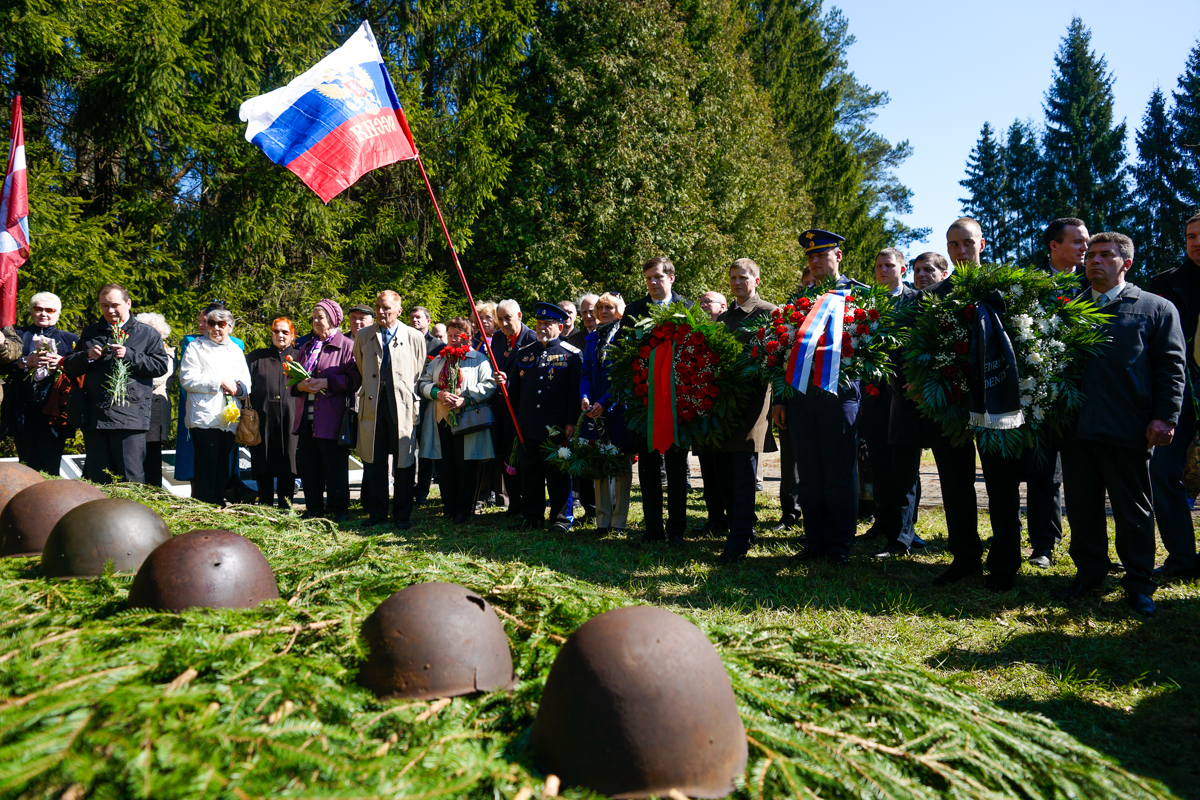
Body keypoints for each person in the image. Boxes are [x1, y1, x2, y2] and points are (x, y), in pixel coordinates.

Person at [1057, 232, 1185, 618]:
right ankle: (1090, 573)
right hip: (1077, 428)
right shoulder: (1070, 308)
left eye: (1106, 255)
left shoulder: (1154, 308)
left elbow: (1171, 367)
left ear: (1126, 263)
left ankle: (1139, 583)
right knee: (1082, 507)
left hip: (1127, 426)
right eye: (1090, 255)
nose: (1094, 261)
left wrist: (1166, 416)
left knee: (1134, 510)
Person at [773, 230, 865, 565]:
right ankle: (814, 540)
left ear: (838, 256)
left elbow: (872, 350)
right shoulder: (796, 302)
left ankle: (840, 542)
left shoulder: (860, 296)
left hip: (840, 397)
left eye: (821, 255)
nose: (815, 261)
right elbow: (782, 354)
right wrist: (780, 400)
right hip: (801, 398)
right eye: (810, 257)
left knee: (839, 471)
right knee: (808, 472)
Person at [1023, 219, 1091, 569]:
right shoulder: (1027, 283)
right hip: (1040, 398)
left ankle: (1088, 548)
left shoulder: (1093, 282)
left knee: (1083, 477)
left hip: (1083, 397)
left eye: (1087, 242)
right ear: (1054, 245)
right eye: (1078, 241)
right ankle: (1042, 546)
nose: (1085, 248)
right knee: (1042, 473)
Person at [64, 284, 169, 484]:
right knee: (98, 479)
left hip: (130, 417)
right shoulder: (92, 332)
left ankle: (133, 515)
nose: (110, 310)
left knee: (130, 479)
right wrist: (87, 356)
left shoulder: (146, 333)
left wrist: (129, 355)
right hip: (96, 417)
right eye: (104, 305)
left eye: (115, 305)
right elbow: (70, 365)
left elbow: (160, 365)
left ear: (128, 303)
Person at [620, 256, 693, 544]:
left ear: (671, 278)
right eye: (648, 277)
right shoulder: (634, 310)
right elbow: (622, 352)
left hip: (676, 404)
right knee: (648, 469)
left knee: (676, 470)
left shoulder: (686, 308)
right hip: (644, 402)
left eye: (658, 277)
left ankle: (676, 530)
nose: (652, 282)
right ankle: (652, 530)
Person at [1144, 212, 1200, 580]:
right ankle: (1182, 558)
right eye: (1190, 235)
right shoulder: (1163, 286)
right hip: (1180, 391)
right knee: (1163, 472)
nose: (1196, 242)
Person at [713, 258, 777, 563]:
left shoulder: (769, 313)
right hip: (723, 406)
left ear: (756, 280)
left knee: (742, 473)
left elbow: (776, 361)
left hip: (752, 404)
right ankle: (740, 529)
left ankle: (739, 539)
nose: (737, 283)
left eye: (743, 277)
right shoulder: (722, 319)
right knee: (724, 473)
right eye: (733, 278)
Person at [499, 302, 581, 531]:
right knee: (530, 475)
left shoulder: (571, 355)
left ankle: (560, 519)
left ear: (560, 326)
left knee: (557, 476)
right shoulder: (524, 353)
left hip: (556, 427)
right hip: (528, 425)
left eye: (548, 324)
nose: (542, 328)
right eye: (539, 323)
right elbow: (515, 389)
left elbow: (574, 392)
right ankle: (532, 516)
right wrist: (505, 383)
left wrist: (571, 421)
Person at [861, 249, 922, 559]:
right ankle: (883, 524)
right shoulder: (865, 305)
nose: (883, 270)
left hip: (907, 396)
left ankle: (902, 538)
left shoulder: (917, 301)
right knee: (879, 465)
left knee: (904, 468)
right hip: (873, 396)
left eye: (889, 265)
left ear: (902, 268)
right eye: (878, 266)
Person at [355, 290, 424, 529]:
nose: (381, 312)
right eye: (378, 307)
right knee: (374, 461)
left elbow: (419, 369)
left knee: (404, 462)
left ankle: (402, 515)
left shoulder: (414, 336)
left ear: (399, 311)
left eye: (386, 308)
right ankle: (377, 513)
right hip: (373, 406)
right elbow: (362, 367)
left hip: (402, 408)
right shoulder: (363, 336)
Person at [417, 317, 496, 522]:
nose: (452, 339)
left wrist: (466, 399)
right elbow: (423, 383)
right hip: (440, 421)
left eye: (457, 336)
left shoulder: (478, 359)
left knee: (466, 466)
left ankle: (464, 510)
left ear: (467, 337)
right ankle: (449, 507)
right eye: (450, 335)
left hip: (467, 421)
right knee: (444, 465)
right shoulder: (439, 359)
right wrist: (437, 393)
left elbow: (489, 385)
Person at [292, 299, 360, 521]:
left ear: (332, 319)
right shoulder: (307, 347)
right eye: (313, 318)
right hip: (306, 417)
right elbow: (293, 379)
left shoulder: (347, 346)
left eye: (319, 317)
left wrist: (326, 383)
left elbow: (354, 380)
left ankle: (339, 510)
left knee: (334, 466)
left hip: (332, 417)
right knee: (309, 466)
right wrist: (299, 385)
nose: (315, 322)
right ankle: (313, 509)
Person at [179, 308, 252, 506]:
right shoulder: (196, 346)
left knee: (223, 467)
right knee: (205, 467)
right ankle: (205, 509)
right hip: (204, 418)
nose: (216, 329)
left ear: (230, 327)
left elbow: (247, 383)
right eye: (212, 324)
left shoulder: (236, 350)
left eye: (221, 325)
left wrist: (238, 389)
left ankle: (218, 506)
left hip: (228, 419)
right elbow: (186, 379)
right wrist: (218, 382)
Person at [580, 292, 633, 535]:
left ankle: (619, 520)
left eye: (609, 307)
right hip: (596, 411)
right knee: (601, 461)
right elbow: (586, 373)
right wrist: (585, 397)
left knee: (621, 463)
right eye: (600, 308)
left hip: (619, 408)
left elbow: (625, 377)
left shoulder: (627, 336)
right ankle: (603, 519)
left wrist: (604, 401)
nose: (602, 312)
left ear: (619, 310)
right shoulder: (592, 339)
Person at [7, 292, 78, 474]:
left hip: (55, 408)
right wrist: (24, 362)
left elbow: (80, 369)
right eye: (38, 309)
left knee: (50, 461)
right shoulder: (17, 336)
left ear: (58, 313)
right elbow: (3, 364)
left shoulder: (70, 339)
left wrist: (62, 363)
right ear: (31, 311)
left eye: (49, 310)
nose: (43, 314)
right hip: (23, 407)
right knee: (26, 461)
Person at [246, 317, 300, 509]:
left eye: (285, 332)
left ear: (292, 335)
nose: (280, 335)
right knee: (263, 462)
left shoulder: (299, 357)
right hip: (263, 419)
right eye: (276, 331)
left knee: (288, 462)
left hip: (291, 420)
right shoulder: (256, 358)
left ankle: (286, 508)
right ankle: (266, 505)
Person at [490, 299, 537, 516]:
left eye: (507, 318)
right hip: (502, 410)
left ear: (519, 316)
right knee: (506, 456)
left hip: (524, 410)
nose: (503, 323)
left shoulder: (532, 339)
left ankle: (530, 505)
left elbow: (536, 378)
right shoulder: (498, 338)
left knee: (525, 459)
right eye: (499, 319)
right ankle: (514, 505)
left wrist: (510, 381)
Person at [409, 305, 445, 506]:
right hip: (405, 401)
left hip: (428, 402)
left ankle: (422, 490)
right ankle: (405, 487)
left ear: (428, 321)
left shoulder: (438, 346)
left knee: (425, 448)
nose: (415, 320)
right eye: (412, 317)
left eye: (419, 318)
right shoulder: (402, 342)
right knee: (405, 447)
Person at [135, 312, 173, 489]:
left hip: (154, 410)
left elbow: (158, 378)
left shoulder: (167, 353)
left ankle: (153, 494)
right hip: (134, 410)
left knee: (151, 457)